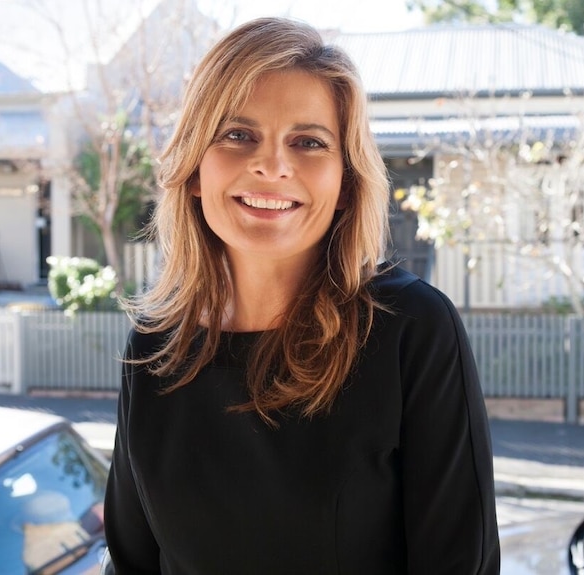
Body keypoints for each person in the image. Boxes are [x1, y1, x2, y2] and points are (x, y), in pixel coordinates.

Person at [103, 16, 500, 575]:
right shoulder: (155, 345)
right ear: (194, 169)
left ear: (344, 185)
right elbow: (130, 561)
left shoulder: (411, 329)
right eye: (238, 135)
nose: (272, 165)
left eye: (309, 142)